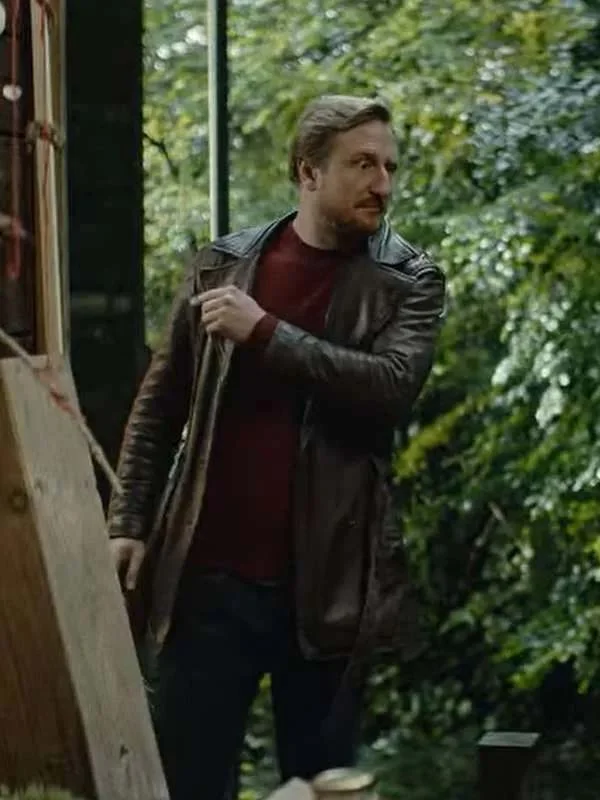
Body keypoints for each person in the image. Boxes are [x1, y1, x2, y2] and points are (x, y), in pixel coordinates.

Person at [107, 94, 446, 800]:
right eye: (362, 164)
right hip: (208, 582)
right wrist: (129, 521)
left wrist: (265, 333)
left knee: (320, 789)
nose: (383, 183)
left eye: (389, 166)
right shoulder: (221, 267)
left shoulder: (408, 280)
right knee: (189, 783)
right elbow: (160, 405)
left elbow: (389, 388)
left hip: (327, 591)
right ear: (307, 172)